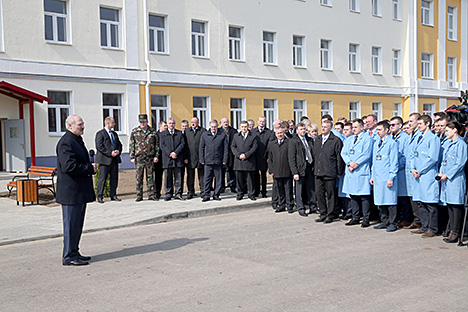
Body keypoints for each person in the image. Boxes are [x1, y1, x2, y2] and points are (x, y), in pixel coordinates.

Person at [56, 115, 96, 266]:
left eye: (83, 124)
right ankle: (68, 256)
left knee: (77, 225)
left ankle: (75, 252)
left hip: (79, 192)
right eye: (80, 124)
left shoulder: (76, 140)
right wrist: (89, 168)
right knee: (70, 225)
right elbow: (69, 166)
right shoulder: (66, 142)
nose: (83, 126)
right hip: (70, 193)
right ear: (69, 126)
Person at [410, 115, 441, 238]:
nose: (418, 126)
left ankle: (432, 228)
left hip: (427, 174)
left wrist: (420, 170)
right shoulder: (418, 137)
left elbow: (432, 158)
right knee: (420, 202)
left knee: (430, 203)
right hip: (417, 174)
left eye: (420, 124)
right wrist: (412, 168)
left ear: (428, 124)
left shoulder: (433, 139)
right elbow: (413, 154)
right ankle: (424, 226)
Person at [439, 122, 468, 243]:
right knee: (450, 206)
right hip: (446, 179)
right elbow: (444, 160)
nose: (445, 133)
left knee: (455, 206)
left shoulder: (460, 144)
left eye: (447, 130)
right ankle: (451, 229)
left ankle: (455, 232)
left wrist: (448, 174)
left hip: (455, 179)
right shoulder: (450, 144)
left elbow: (460, 163)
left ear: (454, 130)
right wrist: (441, 172)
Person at [341, 118, 373, 227]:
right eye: (352, 127)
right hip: (351, 170)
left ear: (362, 127)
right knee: (353, 195)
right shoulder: (349, 140)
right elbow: (343, 153)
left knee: (364, 196)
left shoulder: (367, 139)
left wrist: (356, 163)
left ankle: (366, 218)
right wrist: (349, 163)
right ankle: (355, 217)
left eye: (356, 127)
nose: (353, 129)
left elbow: (367, 154)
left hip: (361, 170)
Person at [312, 120, 344, 222]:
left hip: (330, 172)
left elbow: (339, 157)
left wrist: (339, 171)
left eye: (326, 127)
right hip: (318, 171)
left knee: (330, 194)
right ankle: (323, 213)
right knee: (319, 193)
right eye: (322, 126)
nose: (323, 128)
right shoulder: (318, 139)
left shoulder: (335, 140)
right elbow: (315, 155)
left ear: (330, 128)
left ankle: (331, 214)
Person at [370, 121, 399, 232]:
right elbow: (374, 161)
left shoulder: (392, 143)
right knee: (380, 200)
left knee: (390, 201)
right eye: (377, 130)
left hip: (387, 176)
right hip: (378, 176)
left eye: (379, 130)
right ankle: (384, 221)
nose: (377, 132)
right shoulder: (376, 143)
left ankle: (393, 222)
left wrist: (391, 177)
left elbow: (394, 162)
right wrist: (372, 175)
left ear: (386, 130)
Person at [129, 114, 159, 201]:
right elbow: (131, 145)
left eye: (144, 122)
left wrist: (156, 156)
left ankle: (151, 194)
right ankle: (139, 195)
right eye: (141, 122)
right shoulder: (135, 131)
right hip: (139, 158)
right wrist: (132, 156)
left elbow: (156, 145)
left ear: (147, 122)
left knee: (150, 177)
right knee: (139, 177)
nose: (142, 123)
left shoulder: (153, 132)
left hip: (150, 157)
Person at [289, 122, 315, 217]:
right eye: (301, 129)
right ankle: (301, 208)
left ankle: (313, 206)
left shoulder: (309, 139)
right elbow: (291, 158)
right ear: (297, 131)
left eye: (304, 129)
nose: (303, 131)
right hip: (299, 168)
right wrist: (294, 172)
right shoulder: (294, 141)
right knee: (299, 190)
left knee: (311, 188)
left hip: (309, 166)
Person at [389, 116, 411, 227]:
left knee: (403, 196)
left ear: (400, 126)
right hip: (393, 171)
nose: (391, 127)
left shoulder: (405, 138)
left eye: (393, 125)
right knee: (394, 196)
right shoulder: (391, 138)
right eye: (390, 125)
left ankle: (406, 218)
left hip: (401, 171)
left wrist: (396, 166)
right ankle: (396, 218)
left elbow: (405, 156)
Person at [199, 119, 229, 201]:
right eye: (212, 127)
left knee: (218, 179)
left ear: (217, 126)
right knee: (207, 179)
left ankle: (216, 195)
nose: (213, 128)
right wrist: (201, 159)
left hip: (218, 161)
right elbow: (201, 148)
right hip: (207, 161)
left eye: (215, 127)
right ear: (210, 126)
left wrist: (224, 159)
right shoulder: (205, 135)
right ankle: (206, 195)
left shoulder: (222, 135)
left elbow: (226, 148)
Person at [95, 116, 122, 203]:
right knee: (102, 178)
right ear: (107, 123)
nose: (114, 124)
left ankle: (113, 195)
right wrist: (110, 153)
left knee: (114, 178)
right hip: (105, 160)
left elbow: (119, 144)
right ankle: (99, 196)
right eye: (113, 122)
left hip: (114, 160)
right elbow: (99, 146)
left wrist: (118, 151)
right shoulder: (100, 133)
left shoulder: (114, 134)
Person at [268, 127, 294, 213]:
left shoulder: (289, 142)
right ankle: (281, 205)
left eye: (281, 133)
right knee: (280, 190)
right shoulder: (272, 144)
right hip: (277, 171)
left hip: (287, 170)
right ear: (275, 134)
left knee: (288, 189)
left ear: (284, 133)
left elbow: (291, 157)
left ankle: (290, 205)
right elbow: (270, 158)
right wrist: (271, 170)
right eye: (278, 133)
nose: (280, 135)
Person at [160, 117, 186, 200]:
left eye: (173, 123)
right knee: (168, 177)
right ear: (167, 124)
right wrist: (170, 153)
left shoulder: (179, 133)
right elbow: (162, 145)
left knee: (178, 177)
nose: (171, 125)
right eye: (170, 123)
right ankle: (168, 193)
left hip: (178, 159)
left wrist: (176, 153)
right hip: (167, 159)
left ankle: (178, 193)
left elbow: (182, 144)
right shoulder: (163, 134)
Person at [231, 120, 258, 200]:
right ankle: (240, 194)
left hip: (249, 161)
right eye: (242, 127)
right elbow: (233, 147)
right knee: (239, 179)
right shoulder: (236, 136)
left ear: (248, 127)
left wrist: (246, 155)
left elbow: (254, 147)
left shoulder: (253, 136)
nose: (244, 128)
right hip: (238, 161)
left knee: (250, 179)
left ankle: (251, 194)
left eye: (245, 127)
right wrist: (239, 155)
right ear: (240, 127)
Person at [405, 113, 422, 229]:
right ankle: (416, 219)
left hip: (416, 171)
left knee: (418, 198)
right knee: (412, 197)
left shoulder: (420, 136)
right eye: (409, 121)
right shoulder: (412, 135)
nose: (409, 123)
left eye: (412, 121)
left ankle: (419, 221)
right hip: (410, 170)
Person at [185, 117, 205, 199]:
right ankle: (190, 191)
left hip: (200, 156)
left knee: (202, 175)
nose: (193, 123)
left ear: (198, 123)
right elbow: (184, 145)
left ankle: (203, 191)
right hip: (190, 157)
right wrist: (185, 157)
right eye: (191, 122)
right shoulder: (187, 131)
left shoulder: (203, 131)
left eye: (194, 122)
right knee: (190, 175)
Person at [252, 116, 272, 198]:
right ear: (257, 121)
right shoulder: (253, 131)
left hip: (264, 156)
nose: (261, 123)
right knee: (255, 175)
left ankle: (264, 192)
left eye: (263, 121)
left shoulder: (269, 132)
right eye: (260, 121)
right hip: (255, 157)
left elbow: (270, 146)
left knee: (264, 175)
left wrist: (268, 157)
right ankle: (256, 191)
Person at [220, 117, 238, 193]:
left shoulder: (233, 131)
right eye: (224, 122)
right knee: (221, 172)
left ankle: (232, 186)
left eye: (227, 121)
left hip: (231, 154)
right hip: (221, 154)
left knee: (231, 172)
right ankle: (221, 187)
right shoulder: (219, 131)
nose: (225, 123)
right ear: (221, 123)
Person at [154, 121, 167, 200]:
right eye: (164, 126)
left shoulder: (167, 134)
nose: (166, 127)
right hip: (158, 159)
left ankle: (168, 192)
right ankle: (157, 193)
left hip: (166, 158)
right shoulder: (156, 135)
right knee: (158, 177)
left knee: (168, 176)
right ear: (160, 127)